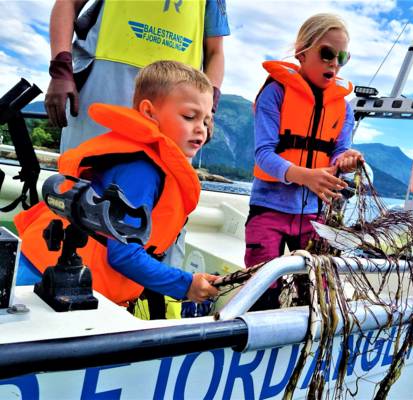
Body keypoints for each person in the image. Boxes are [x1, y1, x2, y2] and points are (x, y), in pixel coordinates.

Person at [15, 60, 219, 316]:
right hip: (48, 287)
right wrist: (186, 284)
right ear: (149, 112)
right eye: (190, 116)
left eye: (207, 120)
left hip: (43, 270)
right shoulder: (141, 171)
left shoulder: (139, 160)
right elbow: (123, 255)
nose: (200, 128)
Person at [245, 13, 364, 309]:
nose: (334, 63)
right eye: (326, 54)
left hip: (314, 216)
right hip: (268, 211)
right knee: (263, 295)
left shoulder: (343, 108)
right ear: (302, 52)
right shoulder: (275, 93)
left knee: (317, 296)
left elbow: (338, 152)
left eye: (342, 57)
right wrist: (305, 175)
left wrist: (346, 159)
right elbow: (264, 154)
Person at [45, 0, 230, 152]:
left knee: (161, 183)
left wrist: (208, 110)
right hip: (104, 79)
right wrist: (61, 71)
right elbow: (68, 3)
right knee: (84, 175)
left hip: (178, 99)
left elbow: (215, 51)